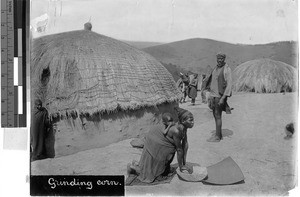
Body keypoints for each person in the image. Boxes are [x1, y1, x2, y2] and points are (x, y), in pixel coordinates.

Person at [127, 107, 194, 183]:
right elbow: (179, 149)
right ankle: (134, 168)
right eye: (190, 120)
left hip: (161, 137)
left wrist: (184, 164)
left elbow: (185, 145)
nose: (193, 122)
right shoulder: (176, 131)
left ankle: (163, 169)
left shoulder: (183, 128)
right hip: (154, 139)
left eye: (193, 120)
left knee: (170, 151)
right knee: (166, 154)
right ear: (183, 121)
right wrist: (181, 167)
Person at [204, 53, 232, 142]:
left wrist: (223, 98)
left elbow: (229, 85)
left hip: (219, 96)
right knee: (215, 115)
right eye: (218, 59)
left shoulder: (227, 69)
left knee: (218, 115)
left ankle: (218, 137)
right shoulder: (215, 68)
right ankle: (218, 134)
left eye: (221, 59)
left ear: (224, 59)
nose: (219, 60)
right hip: (213, 96)